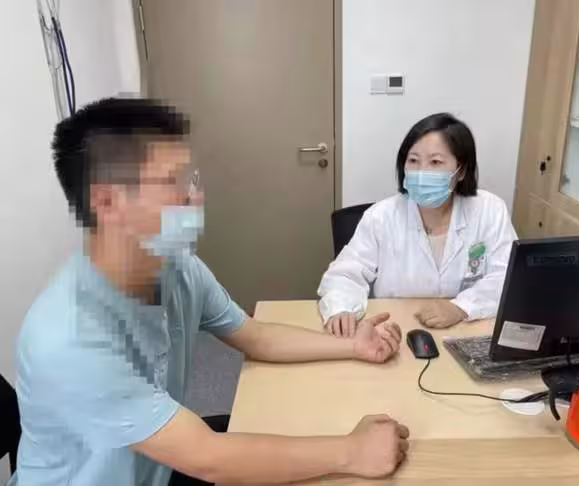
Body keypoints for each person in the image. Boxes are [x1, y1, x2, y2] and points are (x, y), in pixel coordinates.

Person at [9, 98, 409, 486]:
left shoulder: (178, 268)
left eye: (192, 179)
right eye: (173, 182)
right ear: (107, 202)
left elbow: (256, 336)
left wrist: (352, 346)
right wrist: (352, 452)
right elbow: (208, 458)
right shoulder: (67, 337)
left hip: (161, 465)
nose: (195, 197)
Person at [319, 113, 517, 337]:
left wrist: (462, 307)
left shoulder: (489, 210)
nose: (422, 172)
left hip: (467, 331)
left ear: (461, 170)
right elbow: (345, 274)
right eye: (413, 160)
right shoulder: (381, 216)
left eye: (435, 162)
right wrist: (342, 308)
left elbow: (507, 276)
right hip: (393, 330)